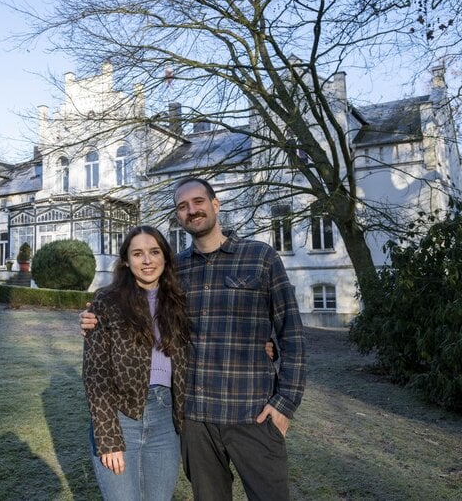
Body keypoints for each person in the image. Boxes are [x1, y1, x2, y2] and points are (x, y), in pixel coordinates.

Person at [82, 177, 306, 501]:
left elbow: (292, 333)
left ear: (215, 204)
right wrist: (92, 318)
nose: (192, 210)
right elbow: (137, 308)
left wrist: (284, 403)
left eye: (198, 201)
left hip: (252, 412)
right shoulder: (176, 271)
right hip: (195, 420)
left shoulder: (260, 257)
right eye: (183, 206)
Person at [83, 225, 190, 501]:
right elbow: (96, 374)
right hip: (121, 415)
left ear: (165, 257)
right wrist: (108, 438)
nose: (147, 260)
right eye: (138, 253)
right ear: (127, 261)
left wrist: (267, 345)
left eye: (154, 252)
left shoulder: (179, 301)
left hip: (167, 418)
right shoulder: (107, 301)